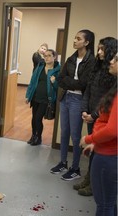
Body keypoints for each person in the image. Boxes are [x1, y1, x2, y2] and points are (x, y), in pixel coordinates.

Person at [50, 29, 96, 181]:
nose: (74, 41)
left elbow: (84, 84)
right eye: (75, 38)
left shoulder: (91, 61)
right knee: (64, 133)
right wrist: (73, 84)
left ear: (87, 42)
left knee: (75, 136)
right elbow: (61, 78)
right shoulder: (71, 58)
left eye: (78, 38)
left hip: (78, 100)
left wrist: (71, 83)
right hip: (66, 97)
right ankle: (63, 162)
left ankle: (75, 168)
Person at [74, 37, 117, 196]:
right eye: (98, 49)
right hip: (91, 116)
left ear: (111, 52)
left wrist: (93, 115)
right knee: (93, 151)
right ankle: (88, 179)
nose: (99, 52)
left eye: (102, 49)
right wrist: (85, 110)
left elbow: (108, 102)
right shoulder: (97, 68)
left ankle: (94, 184)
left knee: (98, 150)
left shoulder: (113, 73)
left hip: (101, 118)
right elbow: (88, 91)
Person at [80, 52, 117, 216]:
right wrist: (95, 143)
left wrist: (89, 138)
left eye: (116, 59)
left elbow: (112, 129)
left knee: (104, 205)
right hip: (106, 152)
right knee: (109, 202)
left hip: (109, 158)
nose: (111, 61)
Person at [26, 49, 60, 145]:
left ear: (54, 57)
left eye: (49, 55)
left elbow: (59, 87)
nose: (46, 58)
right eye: (45, 56)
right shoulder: (40, 67)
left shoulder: (58, 70)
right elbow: (32, 81)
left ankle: (38, 137)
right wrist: (28, 95)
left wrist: (54, 82)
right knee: (34, 118)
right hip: (35, 97)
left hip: (46, 99)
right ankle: (33, 136)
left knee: (38, 118)